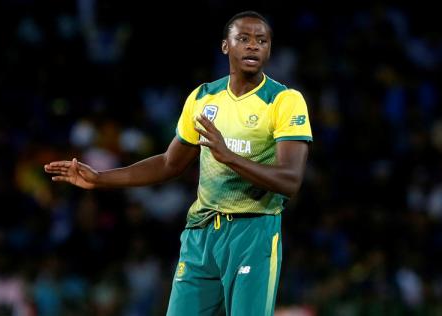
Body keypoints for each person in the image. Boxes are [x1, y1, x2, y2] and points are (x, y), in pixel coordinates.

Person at [44, 10, 313, 316]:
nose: (253, 46)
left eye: (262, 41)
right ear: (226, 46)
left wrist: (229, 157)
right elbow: (170, 163)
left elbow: (290, 180)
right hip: (201, 233)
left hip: (252, 231)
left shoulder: (284, 100)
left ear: (269, 49)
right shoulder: (203, 98)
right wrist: (99, 178)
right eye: (244, 38)